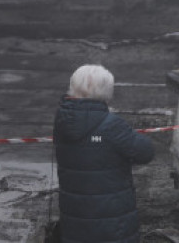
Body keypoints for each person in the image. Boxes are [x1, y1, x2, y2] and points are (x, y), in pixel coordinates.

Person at [53, 64, 155, 243]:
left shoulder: (62, 121)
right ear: (106, 91)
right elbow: (146, 152)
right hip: (112, 221)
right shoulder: (112, 126)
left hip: (75, 216)